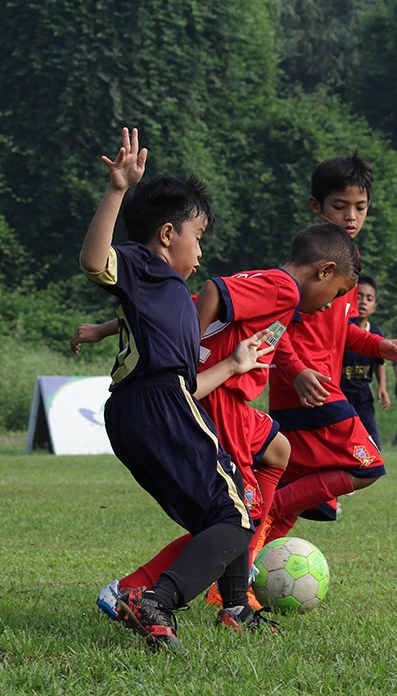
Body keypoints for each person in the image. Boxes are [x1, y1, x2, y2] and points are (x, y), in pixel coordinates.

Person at [78, 223, 360, 624]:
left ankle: (235, 603)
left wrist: (106, 329)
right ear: (324, 271)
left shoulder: (279, 292)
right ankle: (146, 590)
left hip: (236, 401)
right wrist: (189, 356)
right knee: (238, 513)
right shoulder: (284, 288)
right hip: (222, 401)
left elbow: (184, 304)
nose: (331, 305)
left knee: (279, 451)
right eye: (336, 294)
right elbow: (211, 292)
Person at [83, 128, 273, 650]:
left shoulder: (176, 302)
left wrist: (234, 364)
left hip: (149, 407)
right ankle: (156, 599)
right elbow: (94, 260)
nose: (202, 249)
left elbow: (186, 382)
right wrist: (118, 190)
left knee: (228, 508)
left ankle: (235, 607)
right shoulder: (145, 266)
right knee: (235, 513)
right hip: (156, 404)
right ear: (167, 234)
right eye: (198, 235)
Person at [263, 153, 397, 541]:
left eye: (360, 207)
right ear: (316, 206)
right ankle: (268, 506)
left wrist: (381, 346)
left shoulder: (348, 260)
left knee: (292, 498)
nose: (351, 216)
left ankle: (238, 578)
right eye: (340, 206)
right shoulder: (310, 264)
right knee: (368, 466)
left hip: (311, 393)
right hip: (309, 392)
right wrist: (296, 372)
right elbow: (273, 329)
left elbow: (342, 331)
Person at [340, 275, 390, 448]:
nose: (363, 302)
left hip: (363, 392)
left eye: (369, 299)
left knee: (373, 443)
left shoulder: (376, 333)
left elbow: (379, 362)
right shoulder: (341, 329)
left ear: (374, 307)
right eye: (359, 296)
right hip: (340, 391)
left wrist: (382, 387)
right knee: (343, 439)